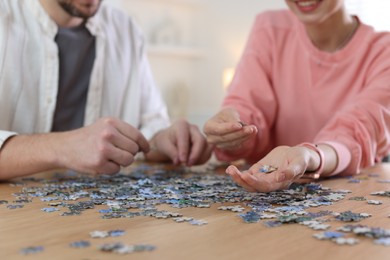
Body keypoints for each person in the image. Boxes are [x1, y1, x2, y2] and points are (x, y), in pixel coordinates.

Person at [0, 0, 212, 180]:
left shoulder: (125, 29)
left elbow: (151, 126)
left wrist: (165, 140)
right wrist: (63, 147)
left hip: (93, 217)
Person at [204, 0, 390, 192]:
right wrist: (231, 129)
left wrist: (311, 156)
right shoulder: (269, 27)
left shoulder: (385, 52)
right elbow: (247, 108)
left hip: (348, 200)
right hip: (262, 202)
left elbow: (358, 132)